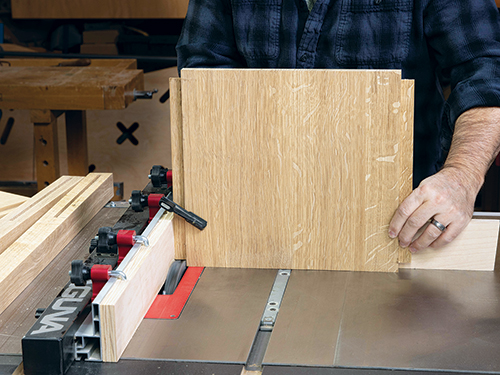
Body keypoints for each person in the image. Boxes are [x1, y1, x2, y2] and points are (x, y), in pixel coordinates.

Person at [176, 0, 500, 253]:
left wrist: (461, 177)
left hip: (397, 222)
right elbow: (204, 73)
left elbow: (484, 72)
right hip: (258, 211)